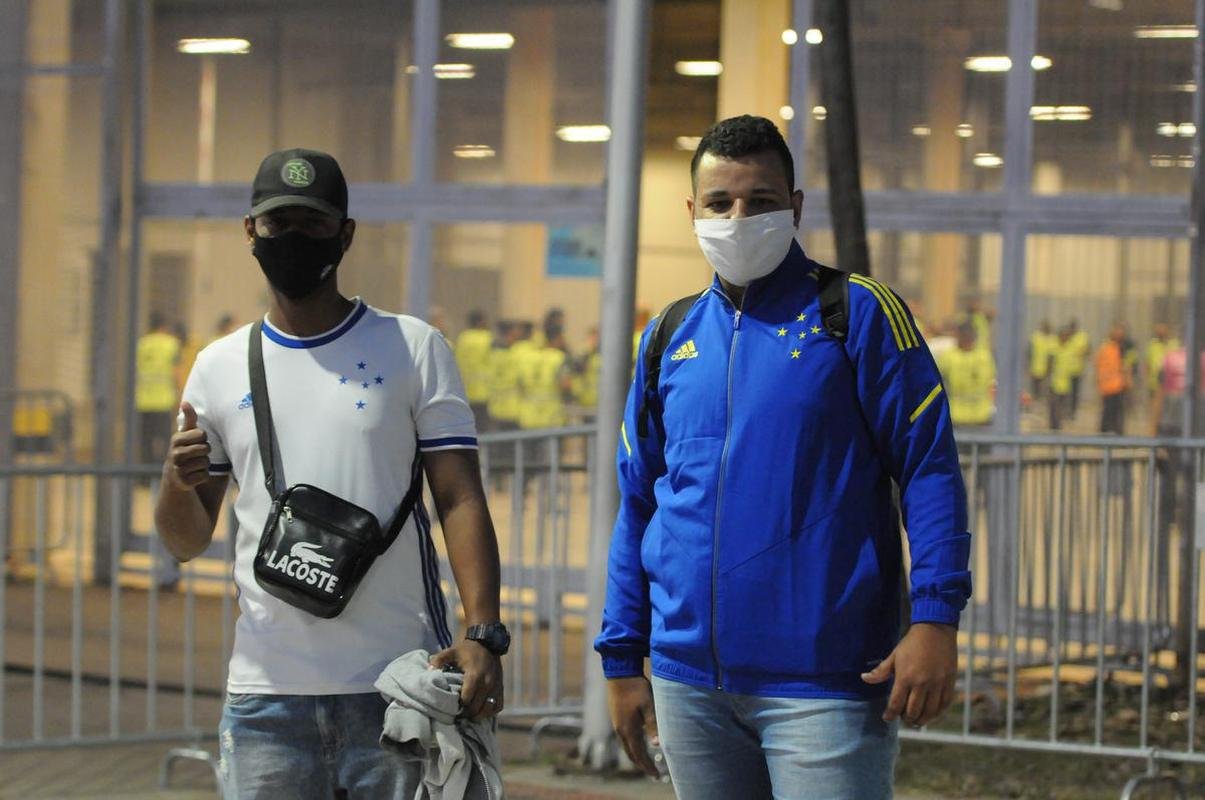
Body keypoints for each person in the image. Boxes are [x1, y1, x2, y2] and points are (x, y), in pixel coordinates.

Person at [596, 116, 971, 799]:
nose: (738, 217)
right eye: (720, 203)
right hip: (689, 686)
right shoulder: (667, 336)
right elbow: (641, 502)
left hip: (824, 685)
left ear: (794, 206)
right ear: (692, 212)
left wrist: (935, 619)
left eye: (760, 201)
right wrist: (622, 657)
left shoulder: (855, 315)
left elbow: (928, 470)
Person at [154, 148, 509, 798]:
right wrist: (177, 483)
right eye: (277, 223)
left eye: (312, 224)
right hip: (266, 701)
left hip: (395, 685)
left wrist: (482, 630)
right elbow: (184, 540)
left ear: (345, 234)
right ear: (250, 232)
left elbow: (459, 498)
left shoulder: (411, 348)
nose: (292, 239)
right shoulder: (219, 366)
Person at [135, 311, 181, 465]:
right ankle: (162, 470)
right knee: (165, 439)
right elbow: (176, 371)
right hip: (163, 400)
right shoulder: (171, 343)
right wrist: (179, 392)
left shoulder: (142, 343)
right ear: (164, 326)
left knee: (145, 440)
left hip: (143, 400)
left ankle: (144, 475)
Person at [938, 322, 996, 428]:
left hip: (982, 416)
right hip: (956, 417)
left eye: (970, 336)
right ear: (958, 336)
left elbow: (992, 382)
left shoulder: (984, 356)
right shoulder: (947, 357)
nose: (967, 339)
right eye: (964, 335)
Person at [455, 309, 495, 430]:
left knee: (472, 428)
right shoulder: (487, 338)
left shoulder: (462, 338)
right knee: (485, 427)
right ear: (480, 322)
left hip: (467, 392)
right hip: (485, 392)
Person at [1096, 322, 1131, 435]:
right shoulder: (1105, 348)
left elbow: (1125, 366)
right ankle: (1104, 432)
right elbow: (1098, 365)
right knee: (1107, 410)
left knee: (1118, 411)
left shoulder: (1123, 349)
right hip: (1107, 385)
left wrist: (1127, 380)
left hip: (1119, 385)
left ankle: (1117, 432)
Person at [1048, 324, 1077, 430]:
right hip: (1055, 382)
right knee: (1055, 406)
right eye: (1064, 335)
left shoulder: (1070, 349)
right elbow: (1049, 364)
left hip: (1066, 383)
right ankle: (1054, 426)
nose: (1065, 337)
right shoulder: (1054, 348)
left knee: (1062, 407)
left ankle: (1058, 425)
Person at [1028, 320, 1056, 401]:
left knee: (1046, 387)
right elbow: (1030, 351)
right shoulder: (1036, 336)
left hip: (1047, 368)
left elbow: (1052, 355)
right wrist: (1028, 364)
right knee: (1035, 386)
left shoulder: (1052, 338)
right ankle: (1035, 400)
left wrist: (1050, 368)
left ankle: (1043, 401)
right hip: (1035, 366)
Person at [1066, 319, 1090, 415]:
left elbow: (1088, 350)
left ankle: (1072, 412)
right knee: (1065, 393)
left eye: (1074, 326)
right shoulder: (1065, 336)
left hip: (1077, 370)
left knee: (1075, 393)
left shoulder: (1082, 337)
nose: (1072, 328)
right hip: (1064, 371)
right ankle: (1065, 411)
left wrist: (1084, 353)